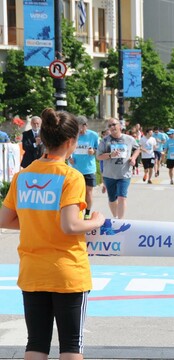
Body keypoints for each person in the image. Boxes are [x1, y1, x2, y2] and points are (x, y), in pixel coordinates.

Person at [0, 107, 105, 360]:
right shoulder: (71, 177)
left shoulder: (23, 176)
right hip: (66, 271)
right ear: (70, 142)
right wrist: (96, 221)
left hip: (33, 270)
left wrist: (37, 221)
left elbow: (5, 220)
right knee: (71, 345)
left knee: (35, 343)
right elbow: (70, 225)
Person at [97, 118, 140, 219]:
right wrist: (110, 155)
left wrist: (133, 158)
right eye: (110, 126)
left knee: (122, 197)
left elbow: (137, 148)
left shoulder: (129, 139)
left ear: (119, 126)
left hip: (124, 174)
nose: (112, 127)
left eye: (114, 125)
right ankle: (116, 216)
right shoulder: (105, 141)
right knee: (112, 199)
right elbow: (99, 157)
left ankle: (120, 220)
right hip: (109, 175)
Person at [69, 116, 99, 220]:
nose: (79, 131)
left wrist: (93, 152)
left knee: (88, 191)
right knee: (75, 191)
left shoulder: (93, 135)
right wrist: (69, 158)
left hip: (88, 169)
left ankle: (87, 213)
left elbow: (99, 150)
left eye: (80, 128)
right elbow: (67, 148)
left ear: (85, 126)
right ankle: (76, 211)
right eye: (77, 128)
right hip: (74, 168)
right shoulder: (72, 135)